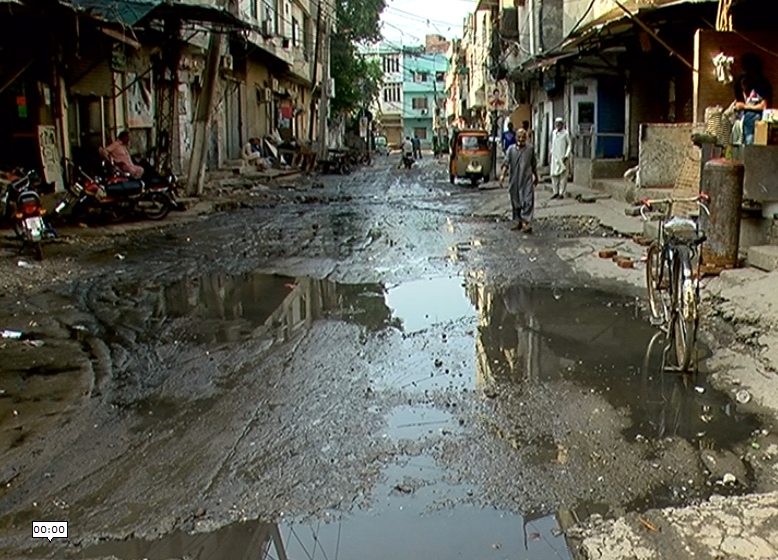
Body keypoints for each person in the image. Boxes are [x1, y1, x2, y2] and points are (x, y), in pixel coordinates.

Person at [499, 129, 538, 233]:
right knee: (515, 201)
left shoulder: (530, 149)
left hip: (526, 179)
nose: (521, 139)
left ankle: (525, 222)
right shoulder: (511, 150)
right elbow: (506, 164)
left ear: (526, 138)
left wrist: (536, 176)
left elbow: (533, 164)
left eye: (523, 137)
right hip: (514, 179)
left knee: (528, 200)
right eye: (519, 137)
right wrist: (502, 175)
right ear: (516, 138)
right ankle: (517, 221)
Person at [550, 117, 571, 199]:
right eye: (556, 124)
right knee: (554, 175)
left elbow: (569, 145)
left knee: (563, 176)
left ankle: (561, 193)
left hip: (563, 157)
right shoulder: (554, 133)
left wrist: (566, 155)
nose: (557, 125)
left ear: (562, 124)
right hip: (555, 157)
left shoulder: (566, 133)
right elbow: (552, 144)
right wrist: (550, 153)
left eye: (559, 124)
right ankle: (555, 192)